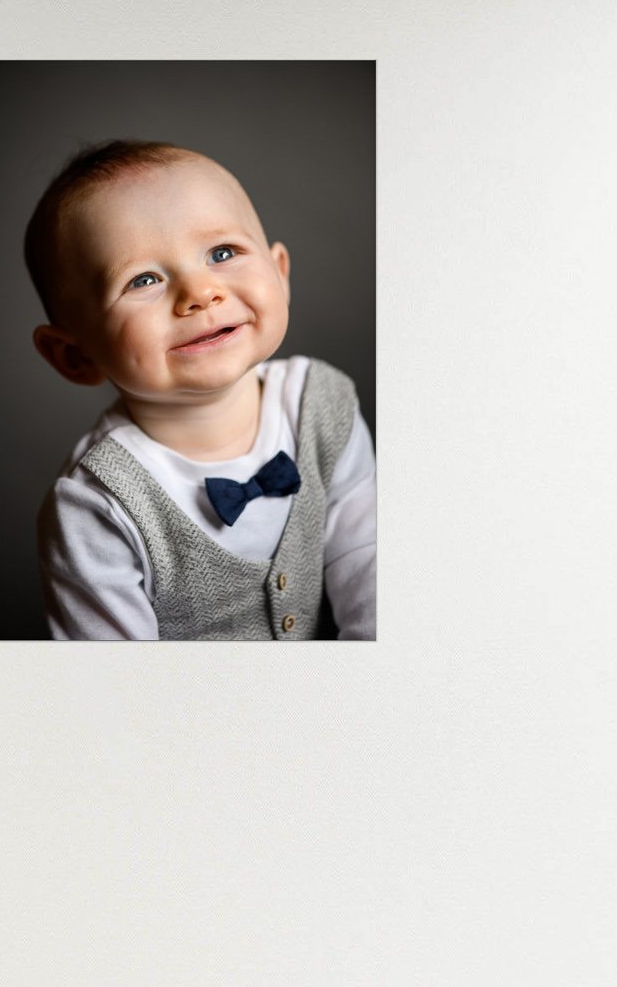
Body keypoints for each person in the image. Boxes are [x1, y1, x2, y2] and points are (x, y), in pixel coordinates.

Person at [26, 140, 378, 640]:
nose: (199, 293)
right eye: (143, 279)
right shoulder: (95, 504)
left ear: (280, 274)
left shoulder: (324, 406)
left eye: (222, 253)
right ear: (75, 355)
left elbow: (371, 574)